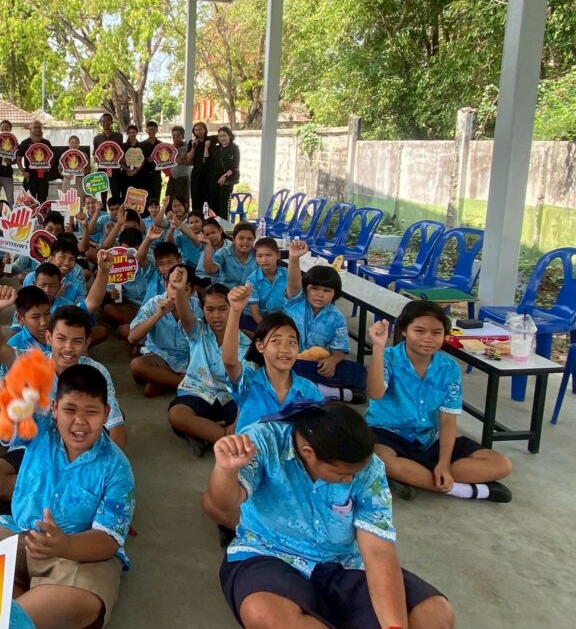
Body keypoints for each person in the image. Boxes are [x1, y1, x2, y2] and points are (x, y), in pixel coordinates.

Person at [208, 402, 455, 629]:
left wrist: (394, 627)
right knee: (264, 614)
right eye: (341, 474)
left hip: (342, 562)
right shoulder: (262, 442)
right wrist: (226, 470)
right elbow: (223, 503)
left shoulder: (367, 467)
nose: (349, 480)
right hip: (270, 553)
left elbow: (378, 551)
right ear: (308, 453)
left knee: (435, 614)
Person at [0, 364, 135, 629]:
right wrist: (7, 397)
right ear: (54, 408)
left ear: (106, 413)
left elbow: (108, 540)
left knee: (85, 602)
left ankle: (10, 612)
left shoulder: (117, 468)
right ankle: (23, 609)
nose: (79, 422)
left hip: (78, 554)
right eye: (69, 410)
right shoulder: (39, 429)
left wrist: (65, 545)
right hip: (20, 533)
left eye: (91, 412)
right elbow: (0, 425)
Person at [0, 297, 127, 502]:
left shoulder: (97, 372)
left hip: (79, 448)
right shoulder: (30, 363)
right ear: (48, 337)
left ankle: (48, 496)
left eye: (77, 341)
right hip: (34, 447)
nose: (68, 347)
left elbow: (116, 425)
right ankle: (69, 495)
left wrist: (110, 467)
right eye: (61, 339)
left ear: (87, 343)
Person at [366, 303, 513, 502]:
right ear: (404, 330)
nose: (428, 338)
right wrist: (378, 347)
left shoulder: (449, 367)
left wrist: (444, 463)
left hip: (429, 439)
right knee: (378, 458)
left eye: (436, 333)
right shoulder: (388, 358)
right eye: (419, 331)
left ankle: (414, 476)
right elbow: (375, 393)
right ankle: (466, 490)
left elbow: (447, 420)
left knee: (501, 464)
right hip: (387, 435)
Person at [168, 282, 250, 457]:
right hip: (199, 392)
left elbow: (246, 389)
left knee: (249, 421)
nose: (216, 316)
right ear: (202, 310)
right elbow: (184, 313)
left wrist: (237, 421)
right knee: (177, 414)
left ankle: (204, 435)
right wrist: (180, 289)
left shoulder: (245, 344)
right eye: (210, 309)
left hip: (230, 398)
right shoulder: (197, 331)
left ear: (233, 308)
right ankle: (227, 440)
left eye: (223, 309)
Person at [221, 297, 323, 434]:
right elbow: (229, 362)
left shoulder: (309, 390)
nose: (285, 349)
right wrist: (235, 310)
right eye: (276, 341)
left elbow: (320, 434)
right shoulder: (248, 382)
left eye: (292, 342)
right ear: (260, 346)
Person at [284, 246, 368, 404]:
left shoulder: (337, 317)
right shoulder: (295, 302)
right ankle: (333, 392)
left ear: (335, 294)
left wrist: (332, 361)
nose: (320, 294)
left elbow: (340, 349)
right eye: (314, 288)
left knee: (359, 371)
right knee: (283, 366)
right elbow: (293, 281)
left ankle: (307, 389)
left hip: (315, 365)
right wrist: (294, 258)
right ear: (305, 290)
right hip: (289, 360)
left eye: (327, 290)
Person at [128, 264, 201, 397]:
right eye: (173, 287)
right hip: (160, 357)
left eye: (183, 289)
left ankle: (165, 381)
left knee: (149, 389)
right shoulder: (154, 303)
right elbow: (132, 337)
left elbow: (198, 340)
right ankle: (185, 385)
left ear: (192, 290)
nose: (176, 294)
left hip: (188, 359)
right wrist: (158, 315)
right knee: (136, 365)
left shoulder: (197, 307)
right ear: (166, 284)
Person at [243, 237, 287, 331]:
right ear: (255, 258)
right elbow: (255, 313)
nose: (264, 260)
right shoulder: (251, 280)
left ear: (278, 255)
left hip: (281, 317)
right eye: (260, 256)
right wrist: (269, 330)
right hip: (257, 318)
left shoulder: (287, 275)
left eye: (268, 255)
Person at [201, 219, 256, 287]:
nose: (245, 242)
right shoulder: (224, 253)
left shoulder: (257, 254)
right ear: (234, 239)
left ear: (254, 240)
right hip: (227, 291)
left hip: (251, 292)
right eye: (241, 238)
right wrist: (208, 245)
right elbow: (210, 270)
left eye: (250, 239)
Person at [206, 125, 239, 219]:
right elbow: (208, 159)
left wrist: (224, 177)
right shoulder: (217, 148)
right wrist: (207, 146)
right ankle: (214, 225)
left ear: (230, 136)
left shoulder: (234, 148)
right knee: (213, 205)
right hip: (215, 179)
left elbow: (234, 166)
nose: (222, 138)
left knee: (223, 207)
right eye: (220, 136)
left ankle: (224, 226)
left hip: (227, 180)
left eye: (224, 135)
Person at [18, 119, 54, 203]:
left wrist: (48, 168)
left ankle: (41, 212)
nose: (37, 129)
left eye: (39, 127)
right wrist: (23, 172)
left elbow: (52, 158)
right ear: (30, 129)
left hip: (43, 176)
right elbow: (18, 159)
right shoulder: (25, 143)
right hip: (30, 176)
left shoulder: (46, 143)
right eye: (35, 127)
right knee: (29, 201)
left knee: (42, 200)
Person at [93, 112, 125, 204]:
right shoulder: (97, 138)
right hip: (102, 171)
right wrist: (96, 158)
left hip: (115, 171)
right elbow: (95, 154)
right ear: (101, 123)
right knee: (102, 196)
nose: (105, 123)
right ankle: (103, 213)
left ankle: (117, 212)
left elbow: (121, 152)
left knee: (116, 194)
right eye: (103, 121)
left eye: (108, 120)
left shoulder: (118, 136)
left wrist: (120, 159)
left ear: (111, 122)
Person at [187, 121, 213, 213]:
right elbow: (188, 159)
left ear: (205, 130)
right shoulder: (192, 143)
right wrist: (194, 146)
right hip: (196, 173)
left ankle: (207, 217)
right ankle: (196, 216)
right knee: (196, 197)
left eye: (200, 129)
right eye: (196, 130)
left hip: (208, 173)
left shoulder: (210, 140)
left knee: (207, 198)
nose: (198, 132)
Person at [0, 119, 17, 207]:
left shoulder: (14, 142)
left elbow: (18, 157)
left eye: (7, 127)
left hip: (7, 175)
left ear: (10, 129)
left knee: (10, 199)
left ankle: (11, 214)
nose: (4, 128)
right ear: (0, 128)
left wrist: (11, 162)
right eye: (3, 127)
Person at [139, 119, 163, 205]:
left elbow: (164, 160)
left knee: (156, 199)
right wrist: (146, 159)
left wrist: (157, 160)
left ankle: (156, 213)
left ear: (157, 130)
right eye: (150, 129)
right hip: (144, 176)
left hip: (156, 176)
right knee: (144, 200)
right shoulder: (141, 145)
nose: (152, 131)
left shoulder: (161, 145)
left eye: (154, 129)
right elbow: (137, 159)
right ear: (146, 130)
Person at [167, 125, 191, 204]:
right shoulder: (169, 148)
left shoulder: (188, 147)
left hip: (182, 179)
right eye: (174, 136)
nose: (176, 138)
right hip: (171, 179)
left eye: (178, 135)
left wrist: (181, 161)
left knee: (183, 203)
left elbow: (193, 162)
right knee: (169, 202)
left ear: (182, 136)